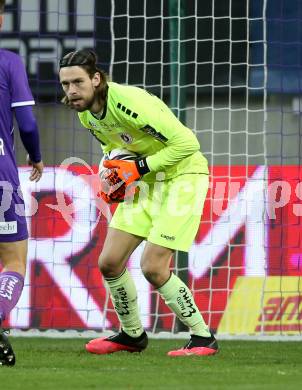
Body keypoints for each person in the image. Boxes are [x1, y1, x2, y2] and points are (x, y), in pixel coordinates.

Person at [59, 49, 218, 357]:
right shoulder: (85, 114)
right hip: (146, 182)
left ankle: (202, 337)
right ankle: (132, 335)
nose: (71, 91)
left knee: (153, 267)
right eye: (65, 84)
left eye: (77, 82)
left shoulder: (130, 103)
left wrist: (138, 169)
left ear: (96, 78)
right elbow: (115, 149)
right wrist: (112, 174)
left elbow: (188, 143)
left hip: (184, 177)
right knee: (110, 261)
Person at [0, 0, 44, 366]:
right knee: (13, 260)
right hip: (1, 178)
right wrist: (36, 155)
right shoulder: (9, 61)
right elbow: (27, 123)